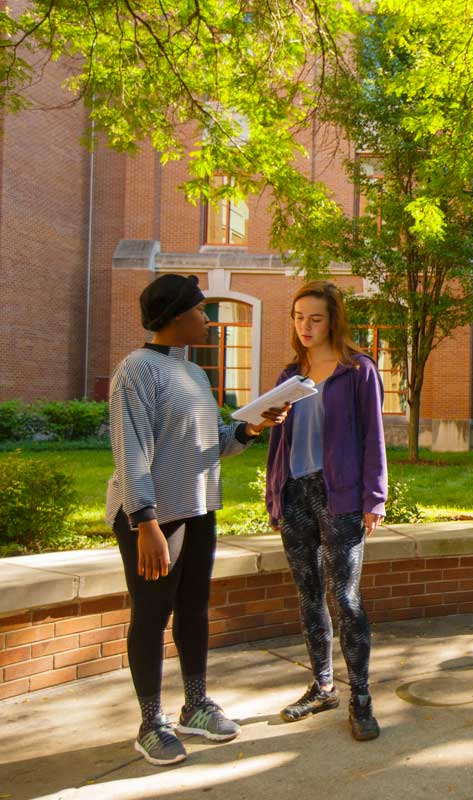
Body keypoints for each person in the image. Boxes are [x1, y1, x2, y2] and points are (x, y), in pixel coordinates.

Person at [107, 274, 287, 766]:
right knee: (151, 615)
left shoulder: (192, 373)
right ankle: (150, 721)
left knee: (194, 610)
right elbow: (131, 451)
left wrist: (249, 427)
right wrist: (144, 522)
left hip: (200, 507)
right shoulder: (136, 370)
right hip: (153, 520)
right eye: (201, 310)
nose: (207, 319)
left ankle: (196, 705)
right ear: (174, 317)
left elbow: (210, 447)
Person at [265, 280, 388, 741]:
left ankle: (360, 697)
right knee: (309, 594)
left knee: (346, 598)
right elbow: (278, 441)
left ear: (333, 319)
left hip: (340, 496)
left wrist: (374, 498)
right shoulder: (289, 375)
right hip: (294, 493)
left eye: (315, 318)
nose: (305, 326)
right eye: (299, 318)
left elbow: (373, 438)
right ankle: (322, 686)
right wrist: (274, 494)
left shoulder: (358, 371)